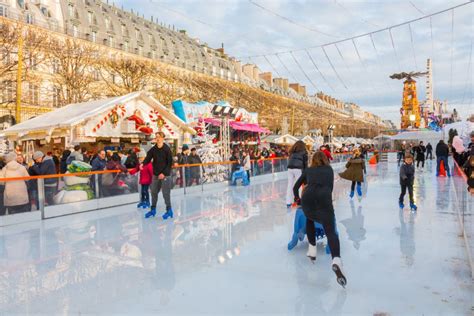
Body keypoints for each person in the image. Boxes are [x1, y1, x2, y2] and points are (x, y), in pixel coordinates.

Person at [293, 151, 346, 288]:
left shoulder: (309, 170)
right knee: (331, 232)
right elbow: (330, 188)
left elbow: (295, 187)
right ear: (325, 159)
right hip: (324, 199)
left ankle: (312, 250)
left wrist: (298, 199)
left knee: (309, 218)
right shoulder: (329, 170)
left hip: (307, 199)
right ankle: (336, 260)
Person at [143, 132, 173, 220]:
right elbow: (148, 158)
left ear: (163, 138)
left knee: (165, 193)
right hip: (155, 174)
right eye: (156, 137)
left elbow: (169, 163)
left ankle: (169, 210)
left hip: (165, 175)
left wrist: (163, 173)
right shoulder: (153, 149)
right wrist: (143, 164)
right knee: (153, 192)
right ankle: (153, 210)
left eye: (159, 137)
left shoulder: (167, 149)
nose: (157, 139)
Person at [286, 140, 308, 207]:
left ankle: (288, 202)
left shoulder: (292, 152)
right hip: (298, 169)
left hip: (290, 169)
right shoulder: (304, 152)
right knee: (299, 185)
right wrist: (305, 174)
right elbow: (305, 164)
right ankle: (300, 200)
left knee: (289, 185)